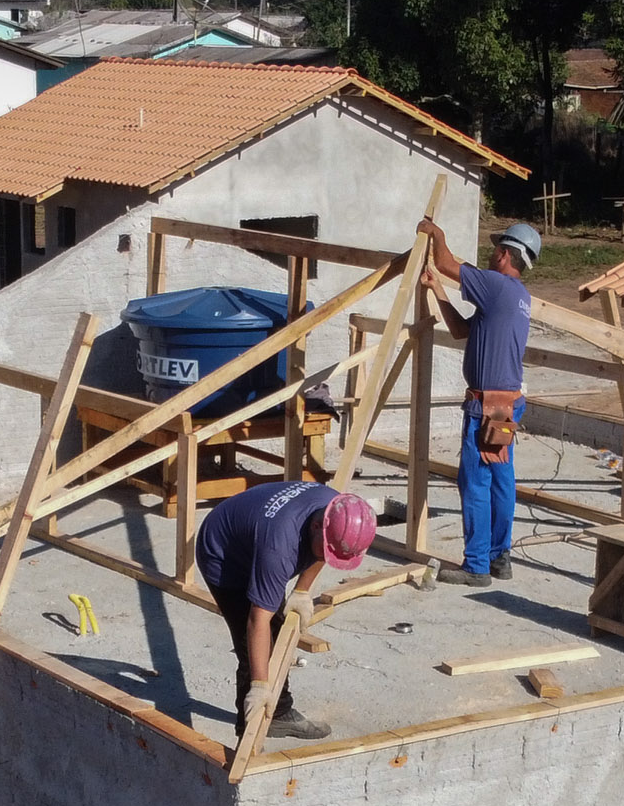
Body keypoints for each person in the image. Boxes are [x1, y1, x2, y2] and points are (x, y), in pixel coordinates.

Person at [193, 478, 378, 741]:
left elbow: (325, 550)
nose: (327, 558)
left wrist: (302, 590)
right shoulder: (278, 548)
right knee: (257, 646)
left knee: (277, 633)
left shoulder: (335, 509)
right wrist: (260, 686)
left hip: (255, 530)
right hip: (224, 554)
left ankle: (279, 713)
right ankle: (251, 730)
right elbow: (257, 621)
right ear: (316, 526)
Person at [417, 218, 540, 586]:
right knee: (501, 480)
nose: (489, 254)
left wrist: (437, 233)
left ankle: (476, 565)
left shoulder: (497, 286)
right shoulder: (516, 297)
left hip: (485, 407)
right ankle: (499, 558)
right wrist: (439, 291)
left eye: (494, 250)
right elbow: (460, 331)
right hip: (506, 404)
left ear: (505, 253)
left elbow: (445, 261)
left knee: (474, 483)